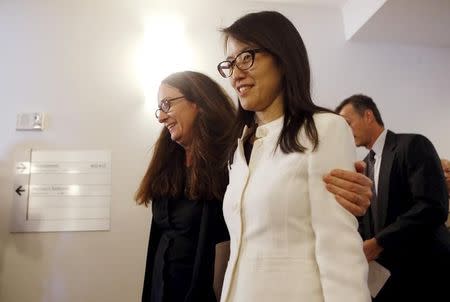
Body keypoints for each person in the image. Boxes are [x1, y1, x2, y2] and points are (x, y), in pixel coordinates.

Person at [217, 11, 370, 302]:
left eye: (246, 57)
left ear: (282, 57)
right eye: (229, 64)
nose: (235, 74)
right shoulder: (241, 148)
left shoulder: (323, 129)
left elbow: (339, 248)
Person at [336, 94, 450, 301]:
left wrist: (380, 241)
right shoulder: (362, 167)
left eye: (348, 123)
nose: (345, 132)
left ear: (368, 115)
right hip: (389, 281)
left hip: (427, 272)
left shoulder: (413, 144)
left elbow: (432, 205)